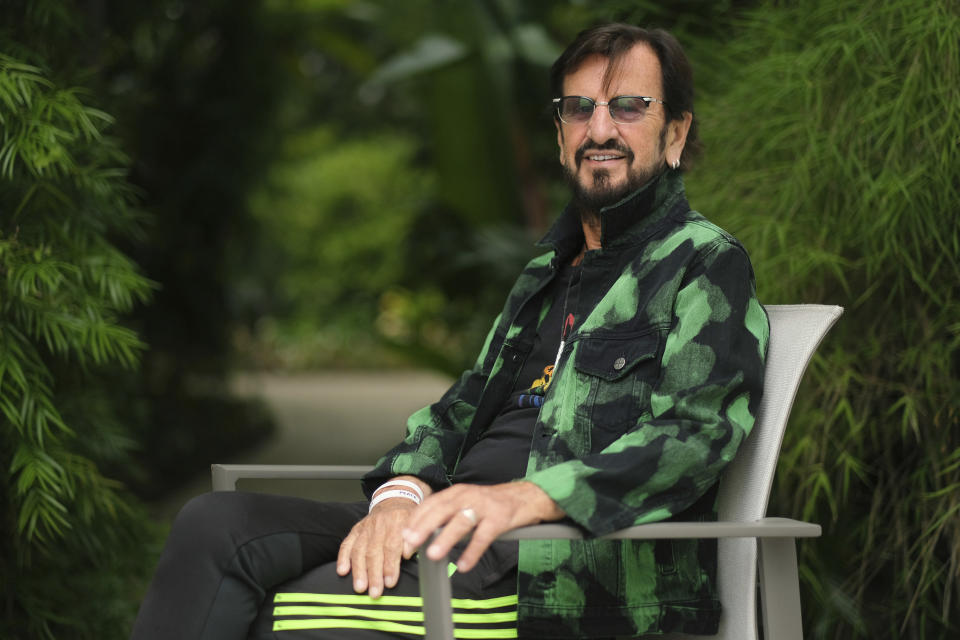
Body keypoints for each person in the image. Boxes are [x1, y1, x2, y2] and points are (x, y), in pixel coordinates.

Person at [130, 23, 769, 640]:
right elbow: (461, 407)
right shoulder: (548, 272)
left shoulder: (703, 263)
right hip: (450, 525)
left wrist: (526, 499)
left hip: (556, 571)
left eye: (629, 106)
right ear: (560, 134)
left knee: (286, 613)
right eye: (579, 109)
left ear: (676, 132)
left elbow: (693, 435)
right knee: (217, 524)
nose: (599, 128)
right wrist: (399, 496)